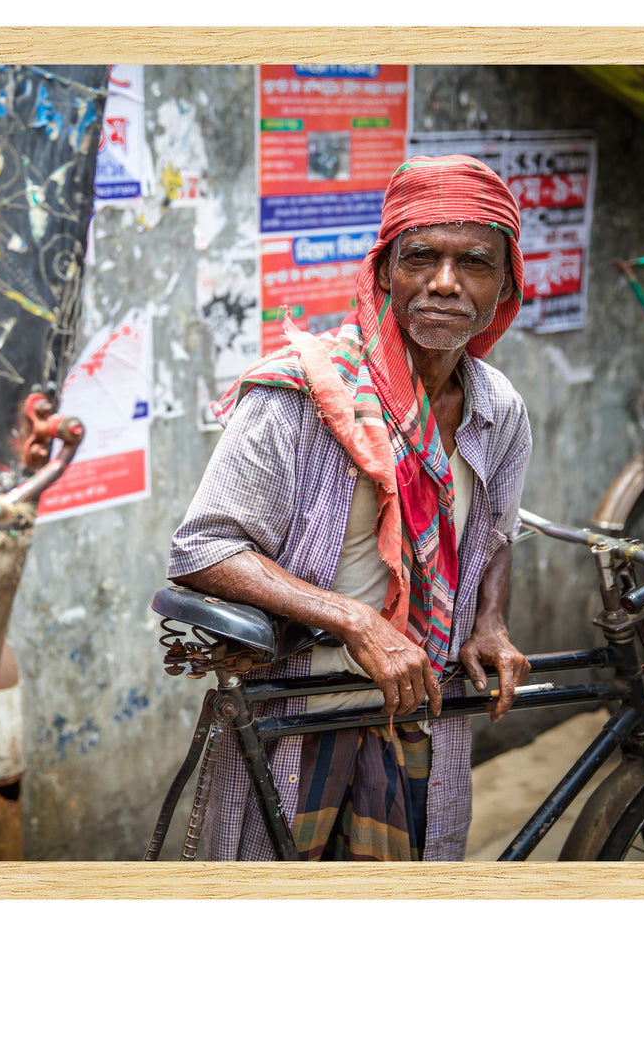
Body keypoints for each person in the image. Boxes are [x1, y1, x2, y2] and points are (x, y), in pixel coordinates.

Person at [168, 155, 532, 862]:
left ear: (506, 285)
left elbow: (494, 532)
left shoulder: (499, 410)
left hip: (420, 710)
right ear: (385, 271)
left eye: (476, 263)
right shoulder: (300, 397)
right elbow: (203, 549)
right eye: (421, 257)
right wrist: (357, 620)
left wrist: (489, 620)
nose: (445, 283)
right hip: (300, 717)